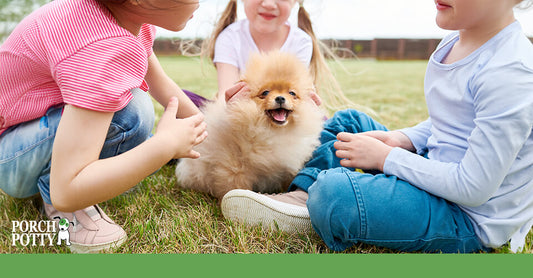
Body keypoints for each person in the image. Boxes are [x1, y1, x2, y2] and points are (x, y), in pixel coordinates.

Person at [221, 0, 533, 253]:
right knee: (347, 122)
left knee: (336, 194)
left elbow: (473, 187)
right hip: (434, 170)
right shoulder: (457, 39)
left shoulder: (509, 73)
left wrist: (386, 158)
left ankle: (320, 200)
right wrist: (402, 138)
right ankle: (303, 197)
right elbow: (452, 124)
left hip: (465, 217)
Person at [0, 0, 208, 253]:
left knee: (134, 110)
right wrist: (163, 146)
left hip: (24, 139)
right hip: (11, 159)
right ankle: (64, 199)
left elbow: (160, 83)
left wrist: (208, 129)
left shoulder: (124, 18)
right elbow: (65, 191)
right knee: (129, 113)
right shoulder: (101, 46)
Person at [184, 0, 347, 110]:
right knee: (183, 100)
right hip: (244, 112)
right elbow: (226, 96)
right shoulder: (230, 37)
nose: (269, 4)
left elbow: (296, 96)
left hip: (283, 113)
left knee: (329, 124)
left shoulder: (301, 41)